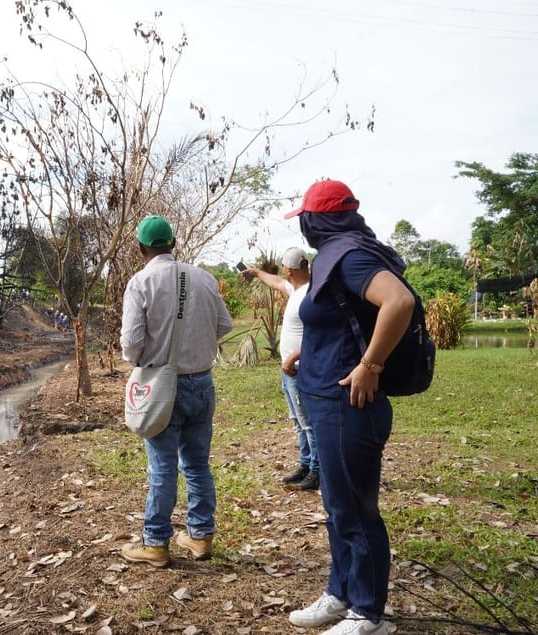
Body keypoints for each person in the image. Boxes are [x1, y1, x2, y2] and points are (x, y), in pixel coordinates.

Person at [284, 180, 412, 635]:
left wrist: (370, 364)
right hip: (327, 402)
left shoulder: (351, 254)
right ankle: (340, 593)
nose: (303, 225)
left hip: (349, 405)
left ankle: (368, 614)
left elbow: (398, 301)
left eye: (306, 217)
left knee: (356, 510)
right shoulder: (337, 253)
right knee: (339, 508)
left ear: (319, 219)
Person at [119, 215, 233, 568]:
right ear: (174, 244)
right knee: (197, 463)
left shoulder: (141, 282)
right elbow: (225, 324)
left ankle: (155, 543)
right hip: (202, 382)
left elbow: (131, 346)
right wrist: (194, 346)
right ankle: (200, 536)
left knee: (162, 466)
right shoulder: (202, 277)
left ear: (140, 248)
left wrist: (149, 358)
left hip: (162, 386)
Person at [243, 248, 320, 491]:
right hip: (289, 369)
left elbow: (317, 334)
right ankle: (306, 464)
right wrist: (256, 272)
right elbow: (275, 282)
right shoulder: (297, 289)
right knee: (298, 421)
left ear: (289, 269)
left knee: (307, 423)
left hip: (298, 368)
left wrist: (293, 358)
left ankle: (317, 471)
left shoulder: (311, 295)